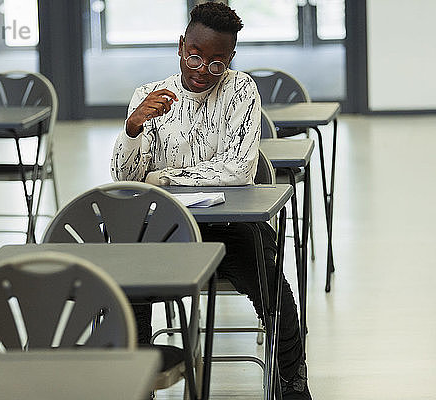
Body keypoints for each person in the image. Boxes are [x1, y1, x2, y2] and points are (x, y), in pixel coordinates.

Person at [110, 2, 311, 399]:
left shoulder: (241, 91)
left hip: (229, 228)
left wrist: (163, 177)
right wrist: (133, 129)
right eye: (195, 57)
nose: (203, 70)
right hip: (163, 228)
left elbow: (237, 171)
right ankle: (140, 382)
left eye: (217, 63)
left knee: (272, 286)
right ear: (181, 45)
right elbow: (125, 180)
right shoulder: (148, 96)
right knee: (127, 280)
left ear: (231, 58)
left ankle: (292, 383)